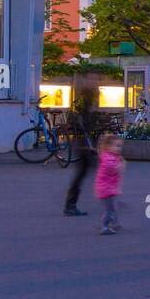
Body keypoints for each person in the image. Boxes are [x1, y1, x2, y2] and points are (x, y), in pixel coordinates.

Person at [63, 78, 106, 217]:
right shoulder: (85, 111)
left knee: (81, 176)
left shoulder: (83, 109)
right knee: (82, 176)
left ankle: (71, 204)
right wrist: (89, 147)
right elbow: (85, 132)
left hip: (84, 148)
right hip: (84, 149)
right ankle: (70, 205)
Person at [94, 134, 125, 236]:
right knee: (110, 209)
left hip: (108, 187)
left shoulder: (112, 156)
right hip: (106, 189)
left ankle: (113, 222)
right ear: (108, 147)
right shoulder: (108, 158)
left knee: (111, 207)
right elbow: (112, 168)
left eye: (120, 146)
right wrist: (120, 165)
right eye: (117, 146)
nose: (119, 149)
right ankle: (105, 226)